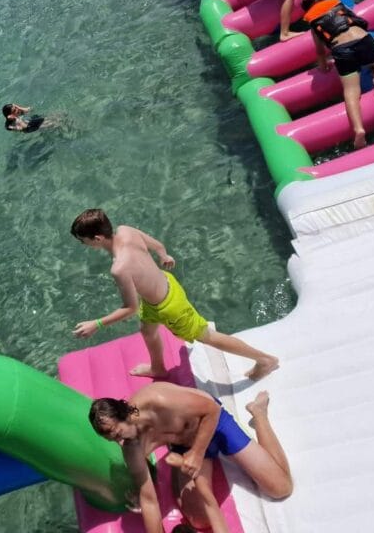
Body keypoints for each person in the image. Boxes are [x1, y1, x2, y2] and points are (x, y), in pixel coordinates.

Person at [70, 209, 279, 380]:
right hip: (165, 286)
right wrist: (164, 256)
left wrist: (96, 324)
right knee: (148, 331)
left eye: (83, 241)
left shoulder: (119, 268)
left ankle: (263, 360)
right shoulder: (126, 231)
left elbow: (130, 308)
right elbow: (158, 246)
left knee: (206, 336)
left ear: (97, 238)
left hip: (170, 307)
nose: (84, 245)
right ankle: (158, 368)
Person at [89, 384, 292, 533]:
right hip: (185, 445)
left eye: (118, 434)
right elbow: (149, 499)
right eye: (112, 439)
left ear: (126, 415)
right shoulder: (131, 448)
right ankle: (179, 460)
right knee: (198, 521)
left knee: (281, 488)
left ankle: (259, 414)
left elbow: (211, 410)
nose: (120, 443)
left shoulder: (157, 400)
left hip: (214, 423)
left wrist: (196, 454)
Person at [301, 0, 374, 149]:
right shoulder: (337, 4)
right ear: (323, 0)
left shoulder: (313, 23)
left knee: (351, 91)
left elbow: (320, 51)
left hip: (341, 49)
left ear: (307, 11)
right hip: (362, 39)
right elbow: (357, 21)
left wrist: (323, 65)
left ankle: (358, 129)